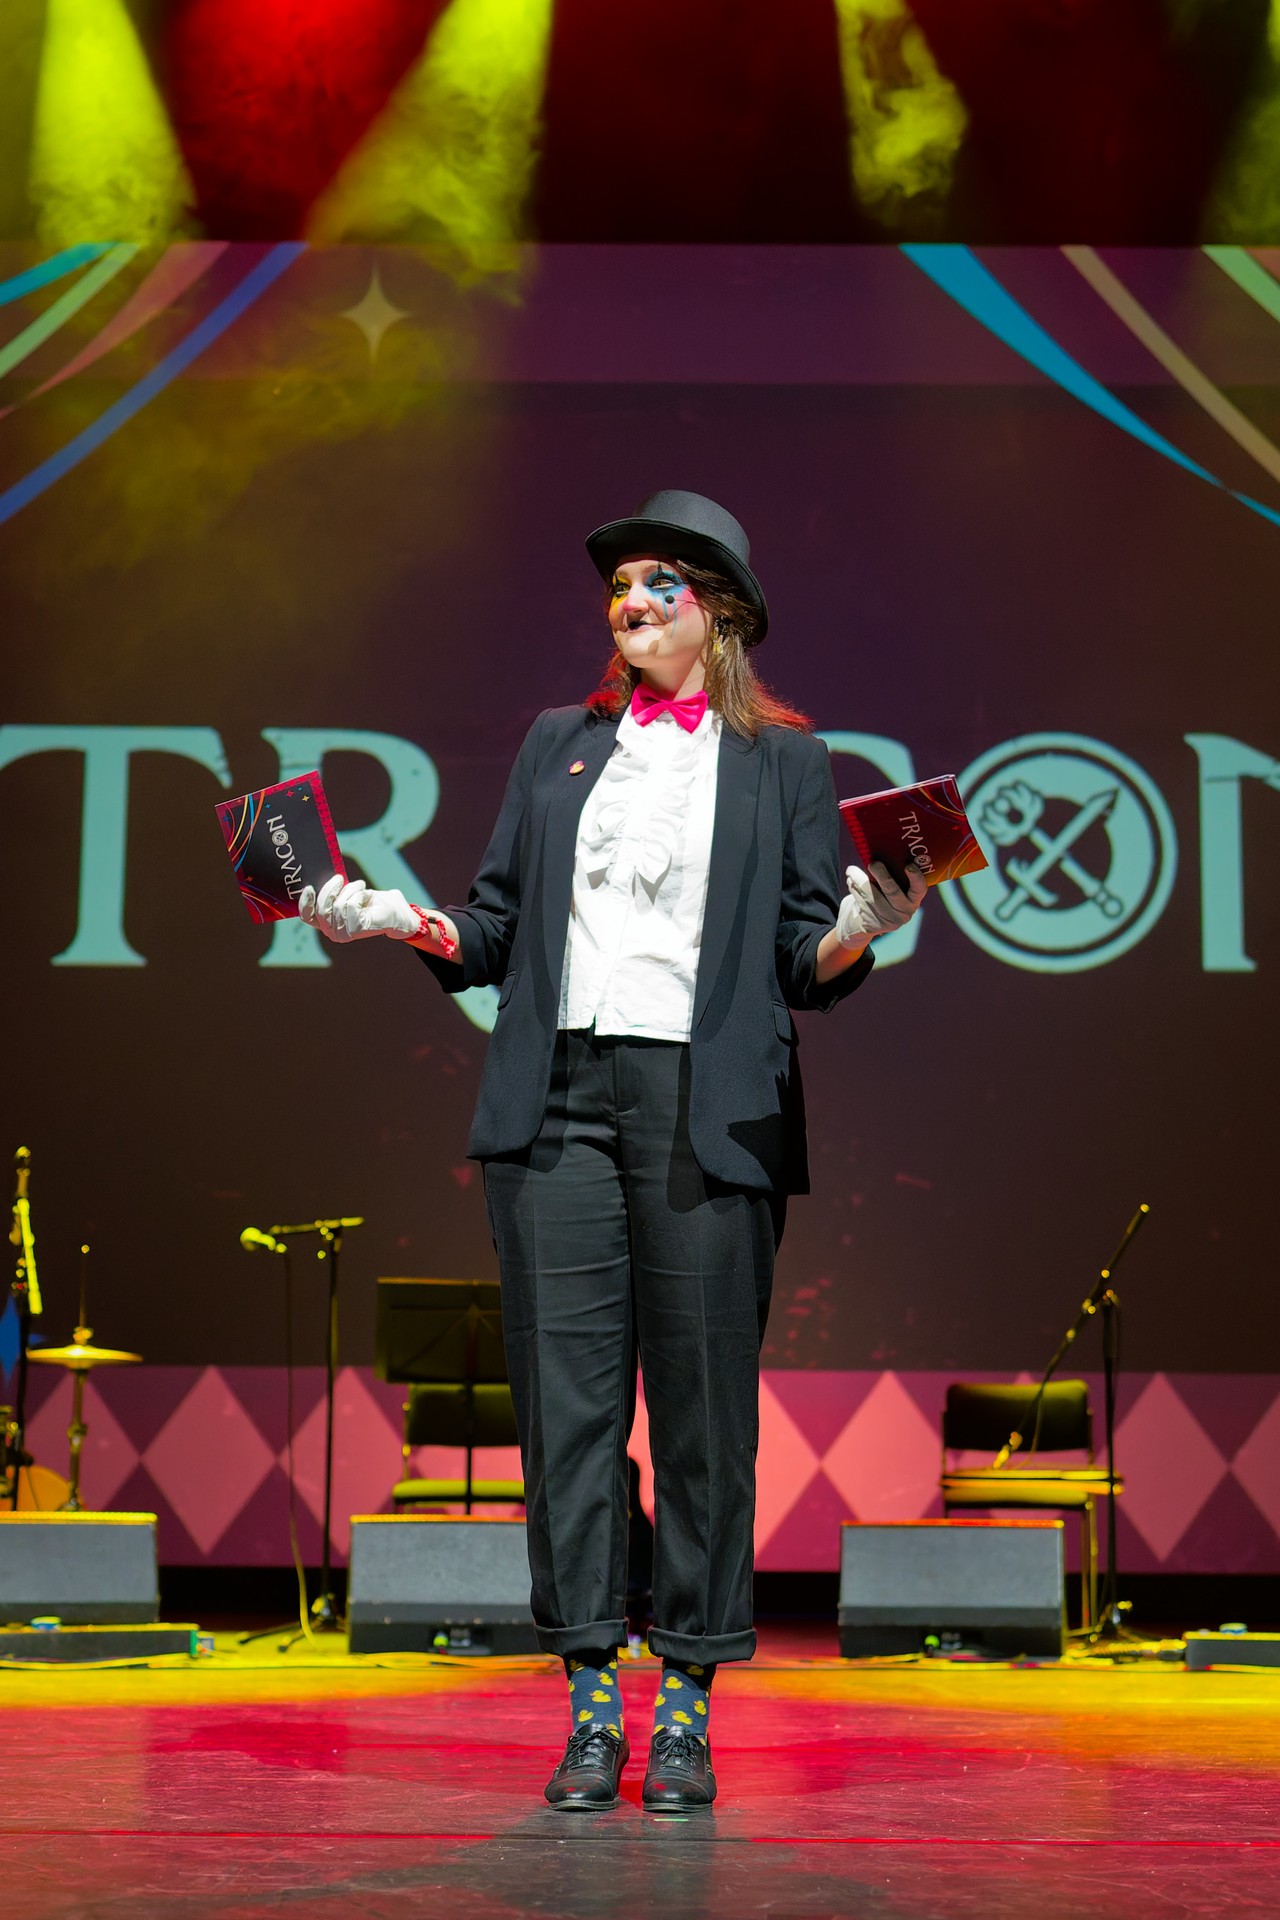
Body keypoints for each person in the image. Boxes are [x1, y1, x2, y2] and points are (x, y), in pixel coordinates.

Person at [300, 490, 925, 1811]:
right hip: (560, 1106)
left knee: (703, 1423)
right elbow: (492, 929)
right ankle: (592, 1705)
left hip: (710, 1108)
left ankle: (685, 1707)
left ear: (722, 613)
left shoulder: (785, 762)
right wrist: (387, 919)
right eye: (621, 585)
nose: (630, 602)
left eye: (661, 584)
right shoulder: (558, 745)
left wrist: (866, 922)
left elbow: (801, 964)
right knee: (569, 1419)